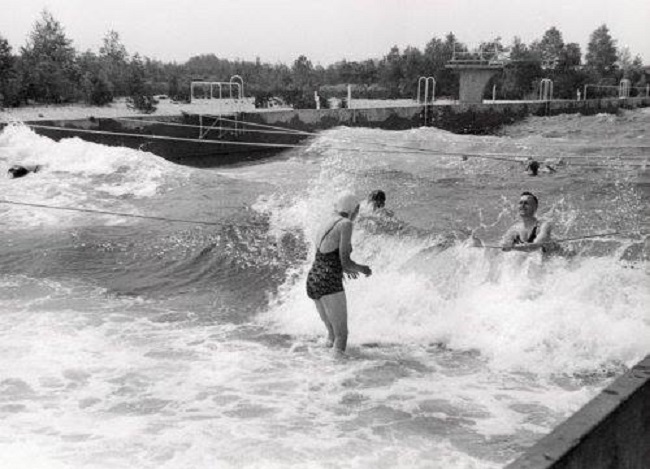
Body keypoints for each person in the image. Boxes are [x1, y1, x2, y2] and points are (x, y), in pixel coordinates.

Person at [306, 192, 372, 354]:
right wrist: (363, 269)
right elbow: (345, 260)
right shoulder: (346, 224)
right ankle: (337, 374)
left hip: (313, 279)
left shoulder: (326, 223)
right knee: (341, 335)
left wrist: (344, 269)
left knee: (332, 334)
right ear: (354, 209)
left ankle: (320, 368)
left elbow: (325, 255)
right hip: (329, 280)